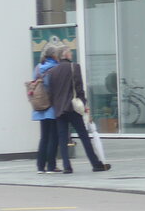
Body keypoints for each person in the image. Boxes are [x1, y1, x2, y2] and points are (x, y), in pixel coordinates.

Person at [45, 47, 111, 174]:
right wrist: (84, 105)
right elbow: (79, 88)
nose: (71, 54)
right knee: (84, 136)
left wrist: (56, 105)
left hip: (59, 109)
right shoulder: (74, 67)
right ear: (66, 55)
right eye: (70, 52)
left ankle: (67, 166)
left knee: (63, 139)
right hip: (73, 107)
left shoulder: (52, 71)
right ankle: (95, 164)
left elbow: (50, 93)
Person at [31, 44, 59, 173]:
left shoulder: (37, 68)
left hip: (40, 107)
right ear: (54, 55)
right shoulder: (55, 68)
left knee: (44, 137)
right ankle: (51, 166)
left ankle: (40, 166)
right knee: (54, 137)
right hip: (52, 107)